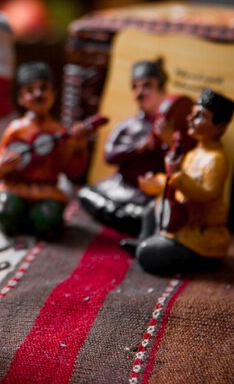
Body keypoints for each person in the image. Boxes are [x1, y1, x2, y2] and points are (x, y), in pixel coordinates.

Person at [127, 88, 234, 275]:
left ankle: (147, 248)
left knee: (147, 255)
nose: (189, 119)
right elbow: (177, 180)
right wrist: (159, 182)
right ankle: (146, 242)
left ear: (219, 128)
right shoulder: (193, 154)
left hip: (201, 235)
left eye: (199, 116)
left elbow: (206, 193)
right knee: (150, 211)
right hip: (182, 223)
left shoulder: (217, 159)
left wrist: (177, 176)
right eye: (192, 114)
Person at [0, 61, 91, 239]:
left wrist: (79, 147)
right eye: (30, 90)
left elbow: (72, 171)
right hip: (14, 188)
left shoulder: (59, 132)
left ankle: (35, 220)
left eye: (43, 88)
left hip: (46, 191)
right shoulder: (15, 129)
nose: (38, 94)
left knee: (48, 223)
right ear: (20, 98)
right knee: (6, 215)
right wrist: (4, 166)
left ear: (53, 94)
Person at [77, 58, 170, 235]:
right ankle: (135, 220)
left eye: (147, 86)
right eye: (136, 87)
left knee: (154, 212)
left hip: (146, 194)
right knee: (86, 193)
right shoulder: (127, 125)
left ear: (162, 90)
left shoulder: (166, 129)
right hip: (118, 187)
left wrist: (165, 143)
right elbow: (109, 155)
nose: (140, 92)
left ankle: (142, 220)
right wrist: (136, 149)